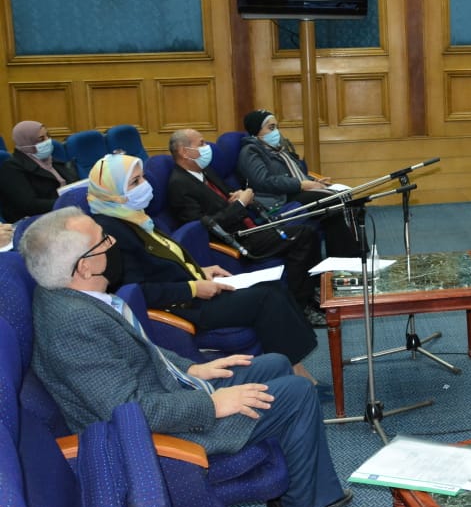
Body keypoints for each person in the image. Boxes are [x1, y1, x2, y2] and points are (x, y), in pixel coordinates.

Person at [20, 208, 364, 507]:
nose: (113, 244)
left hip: (166, 393)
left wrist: (191, 369)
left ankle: (299, 493)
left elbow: (141, 353)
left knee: (274, 364)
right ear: (84, 266)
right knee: (296, 393)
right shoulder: (73, 324)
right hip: (154, 433)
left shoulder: (79, 297)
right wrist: (212, 404)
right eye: (104, 240)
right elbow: (129, 411)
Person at [85, 152, 322, 385]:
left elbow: (165, 261)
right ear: (112, 193)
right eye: (135, 182)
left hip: (191, 289)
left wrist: (199, 269)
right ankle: (295, 372)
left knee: (273, 287)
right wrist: (193, 287)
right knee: (267, 297)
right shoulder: (112, 232)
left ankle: (294, 367)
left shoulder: (133, 216)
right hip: (180, 305)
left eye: (143, 177)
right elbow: (138, 291)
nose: (145, 185)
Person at [167, 129, 326, 327]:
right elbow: (204, 228)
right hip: (234, 241)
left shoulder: (204, 171)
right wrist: (240, 204)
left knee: (307, 230)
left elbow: (227, 197)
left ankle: (311, 293)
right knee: (303, 236)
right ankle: (301, 307)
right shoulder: (179, 184)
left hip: (248, 225)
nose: (207, 147)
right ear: (184, 152)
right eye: (201, 144)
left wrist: (240, 196)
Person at [236, 110, 362, 258]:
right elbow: (263, 181)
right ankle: (348, 257)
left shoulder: (278, 149)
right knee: (332, 201)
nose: (276, 132)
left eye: (276, 127)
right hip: (278, 202)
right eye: (271, 128)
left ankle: (354, 254)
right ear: (256, 130)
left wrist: (314, 181)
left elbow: (294, 173)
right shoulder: (250, 151)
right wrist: (301, 184)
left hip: (294, 192)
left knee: (344, 197)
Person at [0, 120, 78, 221]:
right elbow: (29, 205)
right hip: (36, 220)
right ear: (26, 141)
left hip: (65, 212)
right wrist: (64, 202)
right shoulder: (11, 168)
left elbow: (72, 182)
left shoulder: (50, 160)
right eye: (41, 139)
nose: (48, 141)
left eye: (47, 136)